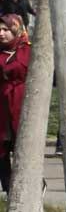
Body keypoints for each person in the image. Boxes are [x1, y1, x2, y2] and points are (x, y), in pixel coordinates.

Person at [0, 15, 28, 192]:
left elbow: (23, 68)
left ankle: (27, 188)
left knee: (22, 148)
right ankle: (8, 189)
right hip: (2, 107)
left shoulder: (26, 49)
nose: (1, 34)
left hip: (20, 103)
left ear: (16, 29)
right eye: (0, 30)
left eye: (6, 30)